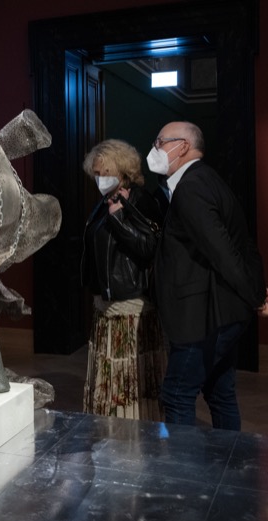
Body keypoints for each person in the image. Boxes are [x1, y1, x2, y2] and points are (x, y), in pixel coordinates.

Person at [148, 121, 268, 431]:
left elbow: (223, 251)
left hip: (203, 318)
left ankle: (186, 465)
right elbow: (237, 244)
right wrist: (255, 289)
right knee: (220, 392)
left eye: (160, 142)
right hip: (219, 312)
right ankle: (230, 458)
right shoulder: (205, 179)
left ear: (182, 146)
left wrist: (256, 297)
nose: (154, 148)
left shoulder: (192, 187)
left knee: (177, 394)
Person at [81, 139, 169, 420]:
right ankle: (110, 430)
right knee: (110, 376)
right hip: (106, 305)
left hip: (130, 307)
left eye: (105, 173)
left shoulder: (141, 200)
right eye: (96, 173)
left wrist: (119, 220)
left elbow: (150, 248)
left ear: (123, 171)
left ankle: (132, 431)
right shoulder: (105, 202)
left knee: (128, 376)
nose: (100, 179)